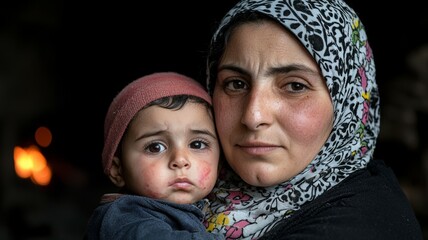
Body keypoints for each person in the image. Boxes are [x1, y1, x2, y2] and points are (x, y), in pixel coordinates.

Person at [203, 0, 424, 239]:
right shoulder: (192, 188)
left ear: (347, 103)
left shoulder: (362, 224)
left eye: (295, 86)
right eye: (236, 84)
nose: (253, 116)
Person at [84, 72, 223, 239]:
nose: (180, 160)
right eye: (155, 147)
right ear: (117, 169)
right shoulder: (125, 218)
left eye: (197, 144)